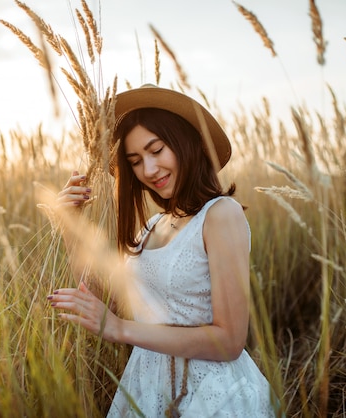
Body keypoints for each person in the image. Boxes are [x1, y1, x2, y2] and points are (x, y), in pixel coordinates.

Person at [48, 84, 278, 417]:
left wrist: (120, 329)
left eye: (157, 149)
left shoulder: (220, 214)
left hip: (210, 395)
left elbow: (229, 341)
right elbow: (111, 306)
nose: (149, 170)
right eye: (136, 161)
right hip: (147, 387)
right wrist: (70, 227)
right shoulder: (153, 227)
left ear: (185, 143)